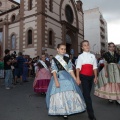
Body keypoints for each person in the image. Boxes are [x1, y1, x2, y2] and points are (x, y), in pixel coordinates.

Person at [46, 43, 86, 119]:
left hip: (67, 77)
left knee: (70, 92)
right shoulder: (54, 59)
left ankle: (70, 109)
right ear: (57, 49)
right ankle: (62, 111)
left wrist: (75, 78)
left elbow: (70, 70)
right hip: (58, 77)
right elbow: (54, 71)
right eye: (61, 49)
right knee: (59, 94)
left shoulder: (68, 59)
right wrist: (56, 81)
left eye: (64, 49)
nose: (63, 50)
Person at [76, 40, 97, 120]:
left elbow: (95, 67)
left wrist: (95, 77)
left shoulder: (93, 56)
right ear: (82, 48)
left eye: (87, 45)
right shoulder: (80, 56)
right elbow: (78, 68)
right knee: (88, 96)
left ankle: (80, 101)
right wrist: (78, 78)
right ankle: (91, 115)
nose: (87, 46)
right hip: (83, 76)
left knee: (86, 94)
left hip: (91, 77)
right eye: (84, 45)